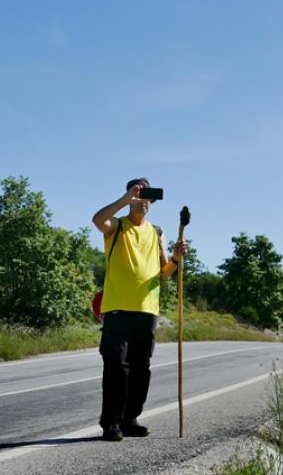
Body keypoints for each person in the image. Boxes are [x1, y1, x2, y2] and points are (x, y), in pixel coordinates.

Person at [92, 177, 186, 442]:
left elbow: (165, 273)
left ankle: (130, 419)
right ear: (130, 196)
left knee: (140, 369)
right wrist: (124, 200)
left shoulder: (157, 232)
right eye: (139, 194)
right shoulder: (117, 226)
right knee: (116, 368)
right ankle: (111, 423)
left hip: (147, 310)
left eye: (148, 196)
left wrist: (177, 258)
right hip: (117, 310)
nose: (144, 200)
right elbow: (97, 219)